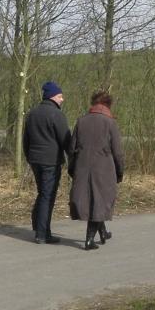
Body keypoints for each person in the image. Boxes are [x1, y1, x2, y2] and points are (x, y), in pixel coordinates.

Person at [68, 89, 124, 251]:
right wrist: (120, 172)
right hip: (104, 169)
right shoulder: (110, 123)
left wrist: (72, 169)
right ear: (108, 105)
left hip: (83, 167)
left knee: (94, 201)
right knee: (99, 202)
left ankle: (103, 233)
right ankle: (88, 240)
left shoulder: (81, 121)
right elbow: (118, 152)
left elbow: (72, 149)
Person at [22, 81, 72, 245]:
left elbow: (26, 140)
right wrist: (73, 158)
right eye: (60, 96)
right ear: (52, 96)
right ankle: (42, 234)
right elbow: (66, 140)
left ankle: (39, 227)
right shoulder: (56, 115)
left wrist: (29, 157)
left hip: (35, 160)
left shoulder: (32, 114)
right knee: (47, 195)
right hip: (50, 161)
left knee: (42, 193)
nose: (62, 99)